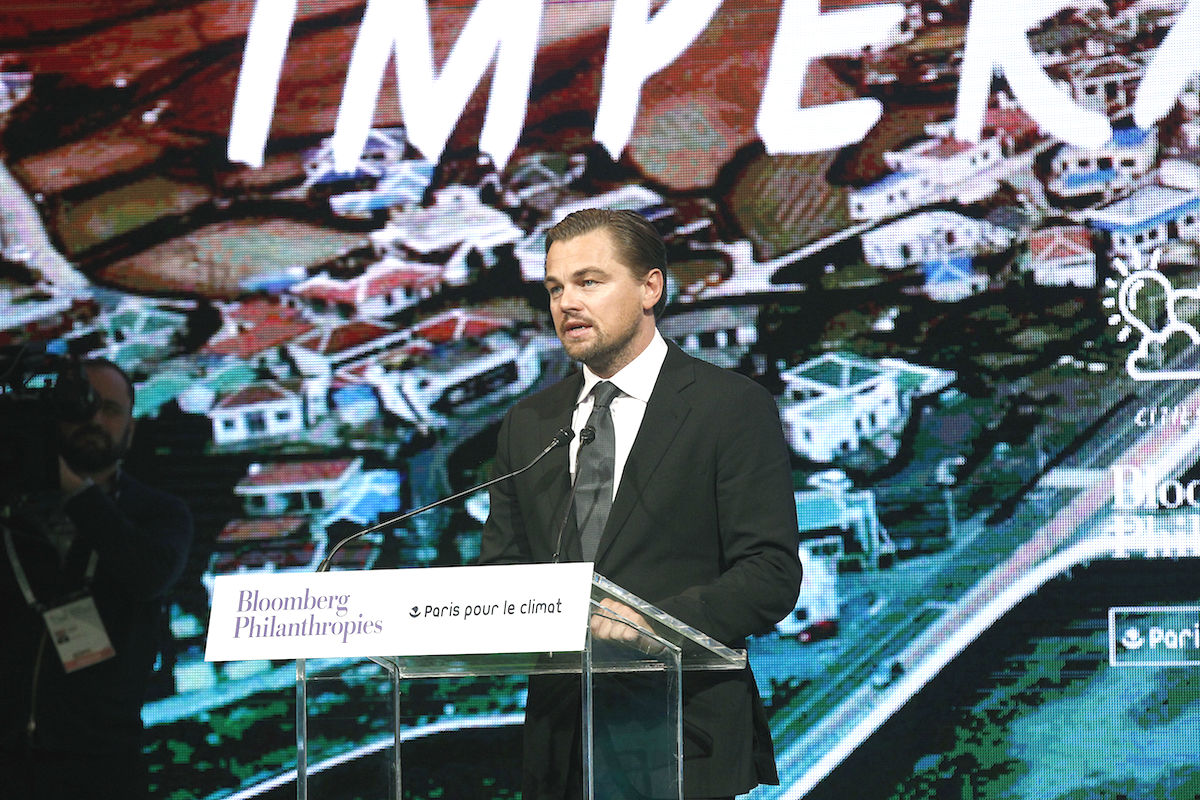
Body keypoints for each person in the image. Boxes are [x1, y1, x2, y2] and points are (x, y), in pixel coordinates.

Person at [480, 209, 802, 799]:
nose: (567, 303)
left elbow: (770, 573)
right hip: (562, 750)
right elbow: (502, 572)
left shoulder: (728, 407)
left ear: (650, 287)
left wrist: (655, 623)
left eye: (589, 281)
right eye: (554, 288)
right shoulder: (527, 425)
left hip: (680, 735)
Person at [0, 357, 193, 800]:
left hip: (103, 763)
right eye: (78, 407)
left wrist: (73, 488)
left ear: (132, 427)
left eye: (109, 409)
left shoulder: (158, 513)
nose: (93, 420)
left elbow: (147, 575)